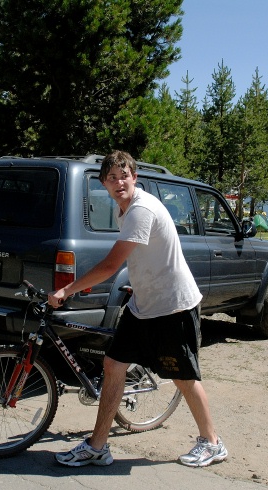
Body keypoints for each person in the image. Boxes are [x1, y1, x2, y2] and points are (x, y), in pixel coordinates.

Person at [48, 150, 227, 468]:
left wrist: (67, 289)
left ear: (135, 177)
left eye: (124, 176)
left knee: (184, 378)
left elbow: (111, 264)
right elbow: (141, 256)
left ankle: (212, 443)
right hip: (144, 303)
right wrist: (139, 285)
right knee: (113, 365)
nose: (119, 183)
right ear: (103, 183)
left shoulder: (141, 210)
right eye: (112, 178)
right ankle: (98, 446)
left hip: (173, 305)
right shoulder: (124, 210)